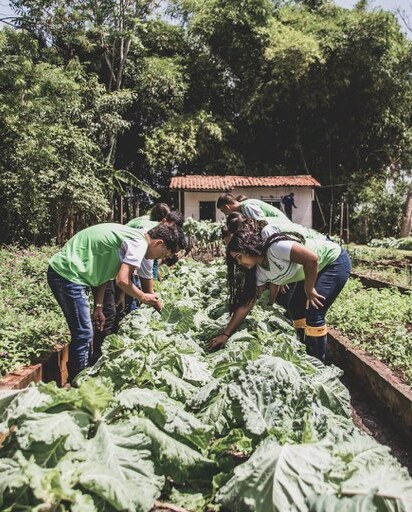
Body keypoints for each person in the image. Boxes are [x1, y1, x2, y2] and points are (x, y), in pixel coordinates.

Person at [48, 222, 185, 381]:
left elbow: (105, 274)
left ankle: (80, 378)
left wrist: (98, 307)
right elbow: (122, 280)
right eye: (163, 254)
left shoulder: (132, 237)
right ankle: (78, 384)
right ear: (159, 243)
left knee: (84, 333)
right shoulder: (139, 243)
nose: (159, 259)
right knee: (84, 334)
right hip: (67, 274)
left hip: (69, 274)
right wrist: (143, 297)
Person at [208, 228, 351, 362]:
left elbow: (312, 259)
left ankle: (318, 361)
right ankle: (306, 348)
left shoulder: (276, 248)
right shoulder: (260, 272)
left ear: (248, 248)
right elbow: (247, 304)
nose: (239, 263)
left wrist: (309, 289)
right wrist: (225, 334)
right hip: (309, 270)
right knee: (295, 307)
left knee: (314, 311)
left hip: (333, 261)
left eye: (239, 257)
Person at [217, 193, 289, 221]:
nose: (225, 214)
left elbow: (261, 224)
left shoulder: (247, 207)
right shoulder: (243, 208)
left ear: (227, 207)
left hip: (282, 224)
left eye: (223, 211)